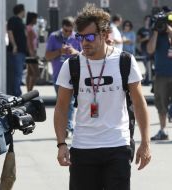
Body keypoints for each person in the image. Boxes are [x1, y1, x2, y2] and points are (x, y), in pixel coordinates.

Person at [54, 3, 151, 190]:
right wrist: (61, 144)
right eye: (80, 37)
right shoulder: (71, 65)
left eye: (90, 37)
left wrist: (145, 142)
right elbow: (61, 106)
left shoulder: (125, 61)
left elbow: (139, 103)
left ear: (105, 34)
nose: (84, 43)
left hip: (118, 146)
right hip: (82, 148)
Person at [46, 16, 81, 137]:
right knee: (62, 103)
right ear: (62, 28)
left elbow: (84, 55)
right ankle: (64, 127)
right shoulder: (54, 37)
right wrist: (59, 51)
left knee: (71, 102)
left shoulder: (77, 37)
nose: (68, 33)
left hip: (74, 74)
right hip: (58, 75)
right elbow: (47, 56)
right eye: (66, 30)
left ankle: (69, 127)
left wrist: (74, 51)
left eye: (70, 31)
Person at [147, 8, 172, 141]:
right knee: (161, 105)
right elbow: (150, 50)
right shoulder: (158, 34)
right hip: (161, 75)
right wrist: (156, 32)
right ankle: (163, 130)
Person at [7, 4, 27, 96]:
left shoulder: (21, 21)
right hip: (16, 52)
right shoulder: (13, 20)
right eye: (24, 10)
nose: (25, 12)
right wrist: (14, 45)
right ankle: (16, 94)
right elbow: (10, 32)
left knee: (19, 74)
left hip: (22, 52)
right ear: (21, 11)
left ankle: (16, 92)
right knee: (17, 74)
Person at [25, 12, 39, 92]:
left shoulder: (28, 27)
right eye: (35, 18)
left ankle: (28, 91)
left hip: (29, 53)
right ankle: (29, 91)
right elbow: (29, 42)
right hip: (31, 53)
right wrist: (32, 54)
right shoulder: (30, 29)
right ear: (32, 19)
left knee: (30, 73)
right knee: (36, 73)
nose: (36, 20)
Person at [137, 15, 152, 85]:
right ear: (145, 20)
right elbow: (138, 40)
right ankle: (147, 80)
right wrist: (145, 38)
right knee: (146, 65)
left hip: (152, 50)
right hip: (144, 50)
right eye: (147, 20)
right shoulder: (141, 30)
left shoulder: (152, 29)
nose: (148, 21)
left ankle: (148, 79)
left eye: (149, 20)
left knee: (150, 65)